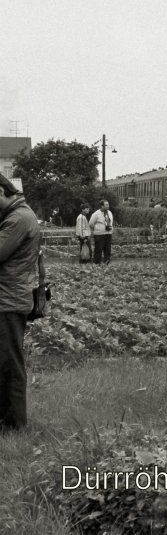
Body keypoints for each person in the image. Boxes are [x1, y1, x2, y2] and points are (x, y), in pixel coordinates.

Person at [0, 174, 41, 432]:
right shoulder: (16, 215)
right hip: (8, 297)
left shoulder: (17, 219)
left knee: (10, 362)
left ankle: (14, 424)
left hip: (9, 300)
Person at [89, 200, 114, 264]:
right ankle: (97, 265)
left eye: (108, 204)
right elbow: (91, 224)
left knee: (108, 251)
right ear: (102, 206)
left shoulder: (109, 212)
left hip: (108, 234)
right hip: (99, 235)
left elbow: (111, 221)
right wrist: (98, 229)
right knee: (98, 250)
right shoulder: (96, 214)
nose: (108, 206)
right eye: (106, 205)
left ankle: (106, 265)